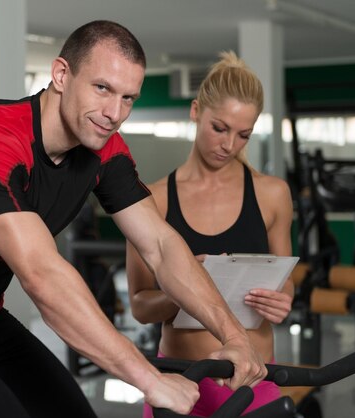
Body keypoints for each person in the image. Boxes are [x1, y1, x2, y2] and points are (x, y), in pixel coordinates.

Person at [0, 21, 266, 418]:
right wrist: (147, 378)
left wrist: (234, 336)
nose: (114, 112)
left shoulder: (107, 150)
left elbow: (160, 245)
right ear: (62, 75)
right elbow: (42, 275)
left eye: (128, 98)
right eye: (102, 88)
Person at [126, 51, 294, 417]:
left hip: (253, 382)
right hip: (179, 381)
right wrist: (186, 290)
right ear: (195, 111)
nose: (229, 145)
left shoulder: (273, 194)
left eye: (243, 135)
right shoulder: (152, 199)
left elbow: (286, 281)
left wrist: (282, 300)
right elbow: (139, 305)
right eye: (220, 128)